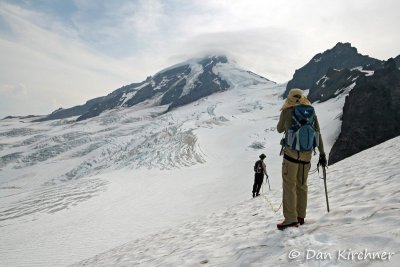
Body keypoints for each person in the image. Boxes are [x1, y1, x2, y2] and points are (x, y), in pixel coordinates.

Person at [276, 88, 327, 230]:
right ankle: (300, 216)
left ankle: (290, 219)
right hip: (306, 156)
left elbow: (280, 129)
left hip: (291, 155)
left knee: (289, 186)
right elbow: (317, 133)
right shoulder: (311, 111)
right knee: (302, 185)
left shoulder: (287, 111)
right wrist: (322, 154)